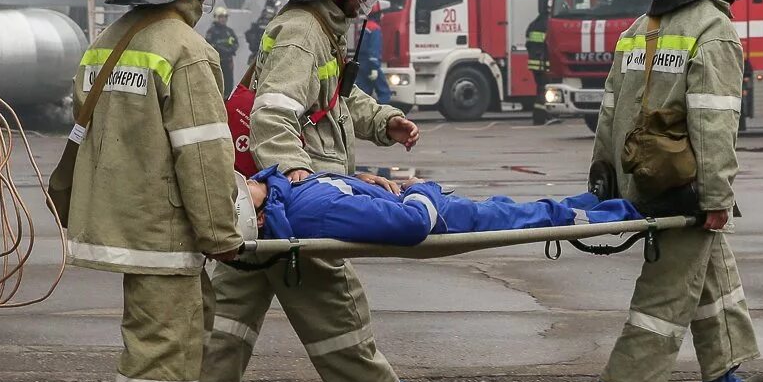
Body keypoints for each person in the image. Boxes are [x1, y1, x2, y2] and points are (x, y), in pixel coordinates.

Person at [195, 0, 450, 382]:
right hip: (295, 194)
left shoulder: (319, 28)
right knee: (332, 293)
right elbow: (274, 113)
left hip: (279, 190)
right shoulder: (302, 33)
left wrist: (383, 121)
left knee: (235, 302)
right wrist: (297, 178)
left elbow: (334, 100)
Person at [64, 0, 244, 382]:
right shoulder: (187, 51)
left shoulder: (107, 39)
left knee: (171, 326)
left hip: (114, 214)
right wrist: (222, 233)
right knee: (165, 337)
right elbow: (203, 155)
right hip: (161, 223)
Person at [580, 0, 763, 382]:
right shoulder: (714, 31)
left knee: (715, 274)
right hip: (681, 186)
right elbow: (713, 123)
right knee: (668, 294)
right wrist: (715, 197)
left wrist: (605, 178)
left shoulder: (642, 26)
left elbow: (611, 110)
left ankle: (722, 381)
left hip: (640, 178)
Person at [235, 167, 642, 245]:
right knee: (536, 216)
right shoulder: (310, 212)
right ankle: (627, 211)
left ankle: (594, 202)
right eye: (243, 189)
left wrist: (364, 178)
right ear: (256, 216)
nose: (247, 181)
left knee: (515, 206)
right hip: (438, 215)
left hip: (433, 204)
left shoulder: (286, 187)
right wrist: (422, 187)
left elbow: (338, 187)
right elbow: (414, 225)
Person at [358, 2, 393, 105]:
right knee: (384, 92)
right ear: (377, 14)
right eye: (381, 13)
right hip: (370, 65)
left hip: (361, 63)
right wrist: (374, 68)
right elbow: (374, 49)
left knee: (362, 92)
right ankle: (385, 114)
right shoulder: (375, 28)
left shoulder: (363, 26)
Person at [205, 5, 240, 93]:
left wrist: (231, 50)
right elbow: (209, 46)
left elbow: (236, 43)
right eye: (221, 17)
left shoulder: (229, 31)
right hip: (217, 63)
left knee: (228, 85)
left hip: (228, 63)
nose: (223, 19)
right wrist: (222, 50)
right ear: (216, 18)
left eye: (225, 17)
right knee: (217, 85)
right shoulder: (211, 32)